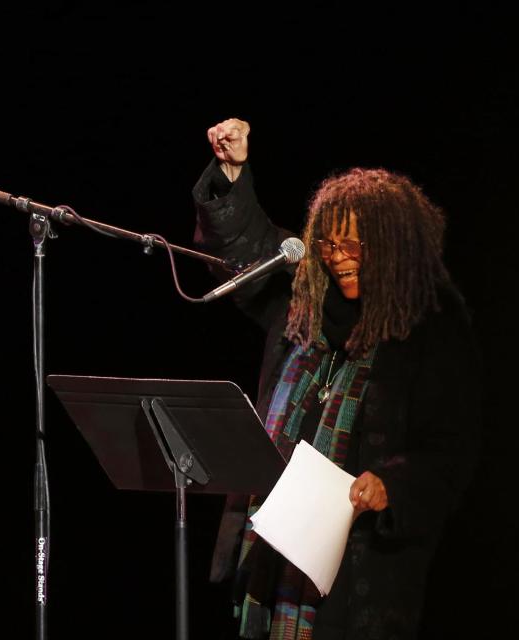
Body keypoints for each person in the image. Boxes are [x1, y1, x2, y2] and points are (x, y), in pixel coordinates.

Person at [193, 118, 480, 640]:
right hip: (269, 562)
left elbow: (451, 450)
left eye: (355, 246)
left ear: (391, 248)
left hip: (356, 578)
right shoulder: (302, 305)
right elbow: (250, 247)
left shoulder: (431, 331)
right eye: (328, 243)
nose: (337, 257)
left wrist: (393, 483)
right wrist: (233, 173)